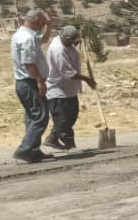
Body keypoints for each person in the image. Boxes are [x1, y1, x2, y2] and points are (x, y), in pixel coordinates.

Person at [44, 25, 96, 150]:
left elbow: (71, 51)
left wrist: (76, 43)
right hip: (58, 90)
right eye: (71, 41)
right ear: (64, 38)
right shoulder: (57, 50)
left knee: (70, 117)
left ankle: (55, 140)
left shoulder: (67, 44)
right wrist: (87, 79)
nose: (73, 43)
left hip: (69, 90)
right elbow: (69, 74)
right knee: (63, 120)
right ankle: (66, 144)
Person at [10, 9, 53, 162]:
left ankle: (33, 149)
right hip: (29, 82)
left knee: (32, 116)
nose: (43, 25)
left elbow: (44, 40)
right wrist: (39, 80)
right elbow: (28, 62)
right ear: (36, 22)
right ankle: (25, 149)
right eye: (42, 23)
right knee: (40, 116)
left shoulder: (25, 35)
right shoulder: (27, 38)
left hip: (26, 82)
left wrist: (49, 24)